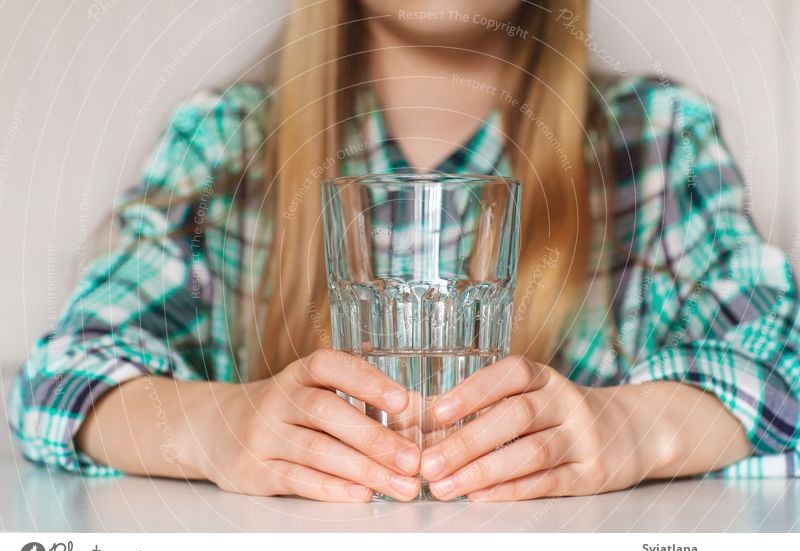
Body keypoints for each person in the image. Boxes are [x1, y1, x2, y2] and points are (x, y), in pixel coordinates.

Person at [9, 0, 800, 502]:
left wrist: (632, 430)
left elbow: (784, 360)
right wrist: (216, 428)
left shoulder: (658, 146)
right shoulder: (223, 147)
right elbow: (61, 376)